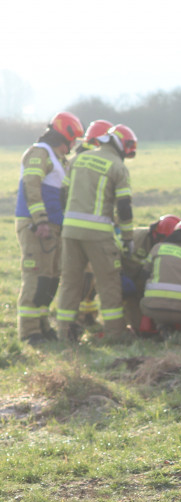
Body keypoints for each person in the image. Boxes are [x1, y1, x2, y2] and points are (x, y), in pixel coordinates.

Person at [55, 124, 137, 343]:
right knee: (108, 283)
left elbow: (62, 193)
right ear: (121, 145)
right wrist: (128, 239)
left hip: (70, 232)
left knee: (71, 282)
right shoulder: (118, 167)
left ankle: (64, 334)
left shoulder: (78, 159)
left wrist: (70, 218)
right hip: (98, 235)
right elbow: (125, 208)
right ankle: (114, 334)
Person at [14, 112, 84, 345]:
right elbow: (31, 186)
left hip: (53, 226)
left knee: (50, 279)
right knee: (36, 277)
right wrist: (41, 220)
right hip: (37, 226)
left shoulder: (57, 158)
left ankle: (43, 327)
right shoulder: (40, 153)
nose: (73, 147)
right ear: (64, 137)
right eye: (72, 141)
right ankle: (29, 332)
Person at [122, 214, 181, 332]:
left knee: (146, 328)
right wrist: (119, 276)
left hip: (146, 287)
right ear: (155, 234)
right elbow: (110, 255)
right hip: (126, 280)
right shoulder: (136, 239)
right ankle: (117, 329)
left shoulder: (176, 249)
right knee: (137, 326)